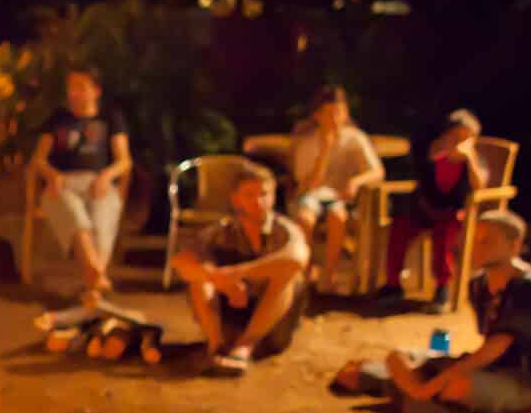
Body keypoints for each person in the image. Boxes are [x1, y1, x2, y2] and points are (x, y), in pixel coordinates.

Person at [334, 210, 531, 413]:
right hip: (488, 369)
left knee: (457, 385)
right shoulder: (478, 285)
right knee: (398, 357)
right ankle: (418, 396)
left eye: (487, 241)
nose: (476, 247)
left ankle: (411, 393)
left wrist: (435, 382)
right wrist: (425, 387)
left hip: (527, 381)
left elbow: (495, 347)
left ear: (514, 246)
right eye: (475, 239)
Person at [168, 161, 306, 374]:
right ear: (236, 199)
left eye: (264, 194)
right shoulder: (222, 231)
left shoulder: (284, 230)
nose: (258, 202)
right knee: (200, 275)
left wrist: (236, 273)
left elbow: (297, 259)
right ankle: (216, 346)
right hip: (232, 317)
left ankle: (245, 346)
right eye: (250, 195)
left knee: (288, 276)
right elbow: (181, 261)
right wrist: (219, 280)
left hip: (272, 326)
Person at [31, 69, 133, 303]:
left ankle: (93, 286)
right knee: (72, 210)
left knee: (102, 216)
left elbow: (125, 160)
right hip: (63, 183)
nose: (74, 93)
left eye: (81, 87)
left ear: (95, 91)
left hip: (98, 182)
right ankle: (97, 276)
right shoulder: (58, 119)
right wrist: (52, 175)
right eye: (71, 87)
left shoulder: (110, 119)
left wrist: (107, 176)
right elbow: (38, 159)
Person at [285, 85, 386, 293]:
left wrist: (356, 181)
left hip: (340, 198)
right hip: (310, 195)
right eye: (329, 114)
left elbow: (377, 171)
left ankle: (328, 274)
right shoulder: (307, 140)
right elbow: (307, 184)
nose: (335, 119)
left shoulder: (355, 138)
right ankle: (304, 271)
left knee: (336, 217)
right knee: (305, 219)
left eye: (339, 113)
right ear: (317, 115)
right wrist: (324, 152)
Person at [383, 110, 481, 306]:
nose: (459, 141)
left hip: (452, 214)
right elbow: (425, 180)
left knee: (444, 236)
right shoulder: (435, 153)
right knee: (400, 226)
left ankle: (442, 288)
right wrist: (438, 156)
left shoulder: (474, 160)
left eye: (465, 137)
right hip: (425, 210)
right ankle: (393, 285)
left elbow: (479, 185)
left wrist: (469, 159)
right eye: (456, 135)